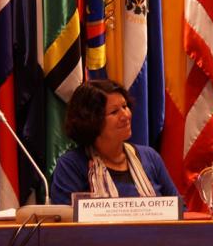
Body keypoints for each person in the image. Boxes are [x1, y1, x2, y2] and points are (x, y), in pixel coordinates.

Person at [51, 80, 180, 204]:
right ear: (92, 121)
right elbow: (66, 222)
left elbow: (180, 211)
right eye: (114, 112)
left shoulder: (150, 157)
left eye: (125, 106)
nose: (126, 115)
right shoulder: (71, 166)